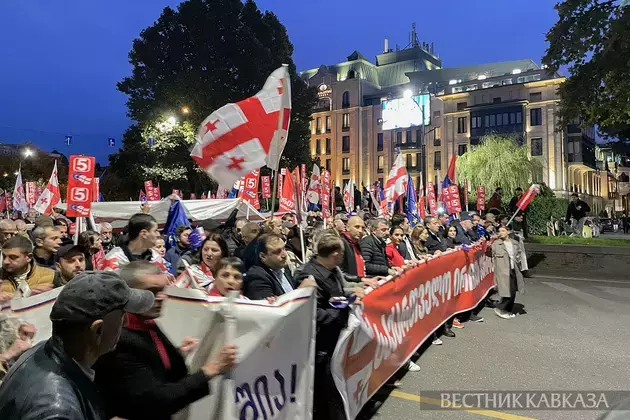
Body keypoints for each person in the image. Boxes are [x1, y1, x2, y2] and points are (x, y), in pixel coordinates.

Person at [0, 271, 155, 420]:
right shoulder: (58, 410)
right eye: (122, 315)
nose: (127, 322)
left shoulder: (40, 350)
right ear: (98, 330)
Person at [94, 261, 237, 420]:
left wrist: (175, 354)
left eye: (162, 290)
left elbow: (151, 368)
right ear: (128, 294)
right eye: (152, 291)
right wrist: (210, 369)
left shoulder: (146, 322)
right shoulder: (119, 339)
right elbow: (154, 403)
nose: (162, 297)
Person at [294, 234, 365, 419]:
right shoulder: (308, 276)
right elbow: (314, 314)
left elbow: (338, 294)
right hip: (321, 345)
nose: (343, 257)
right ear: (334, 255)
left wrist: (350, 295)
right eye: (341, 254)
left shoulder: (332, 270)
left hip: (334, 339)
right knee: (327, 394)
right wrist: (343, 310)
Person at [244, 233, 313, 300]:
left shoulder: (283, 268)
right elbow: (271, 309)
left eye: (284, 248)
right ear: (263, 256)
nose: (284, 255)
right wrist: (301, 292)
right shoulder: (257, 277)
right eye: (277, 252)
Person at [101, 213, 167, 273]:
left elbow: (168, 282)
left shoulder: (155, 257)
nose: (158, 234)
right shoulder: (115, 258)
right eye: (155, 231)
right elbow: (105, 283)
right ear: (143, 234)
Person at [0, 235, 55, 300]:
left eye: (12, 257)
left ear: (28, 257)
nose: (6, 262)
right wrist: (26, 292)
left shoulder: (50, 275)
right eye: (4, 256)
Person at [490, 225, 526, 319]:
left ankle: (507, 310)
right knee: (508, 290)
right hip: (503, 270)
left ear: (508, 232)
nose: (501, 233)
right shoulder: (496, 243)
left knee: (513, 290)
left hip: (514, 268)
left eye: (503, 231)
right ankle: (500, 308)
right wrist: (490, 242)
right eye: (499, 231)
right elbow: (489, 252)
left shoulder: (514, 243)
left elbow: (518, 255)